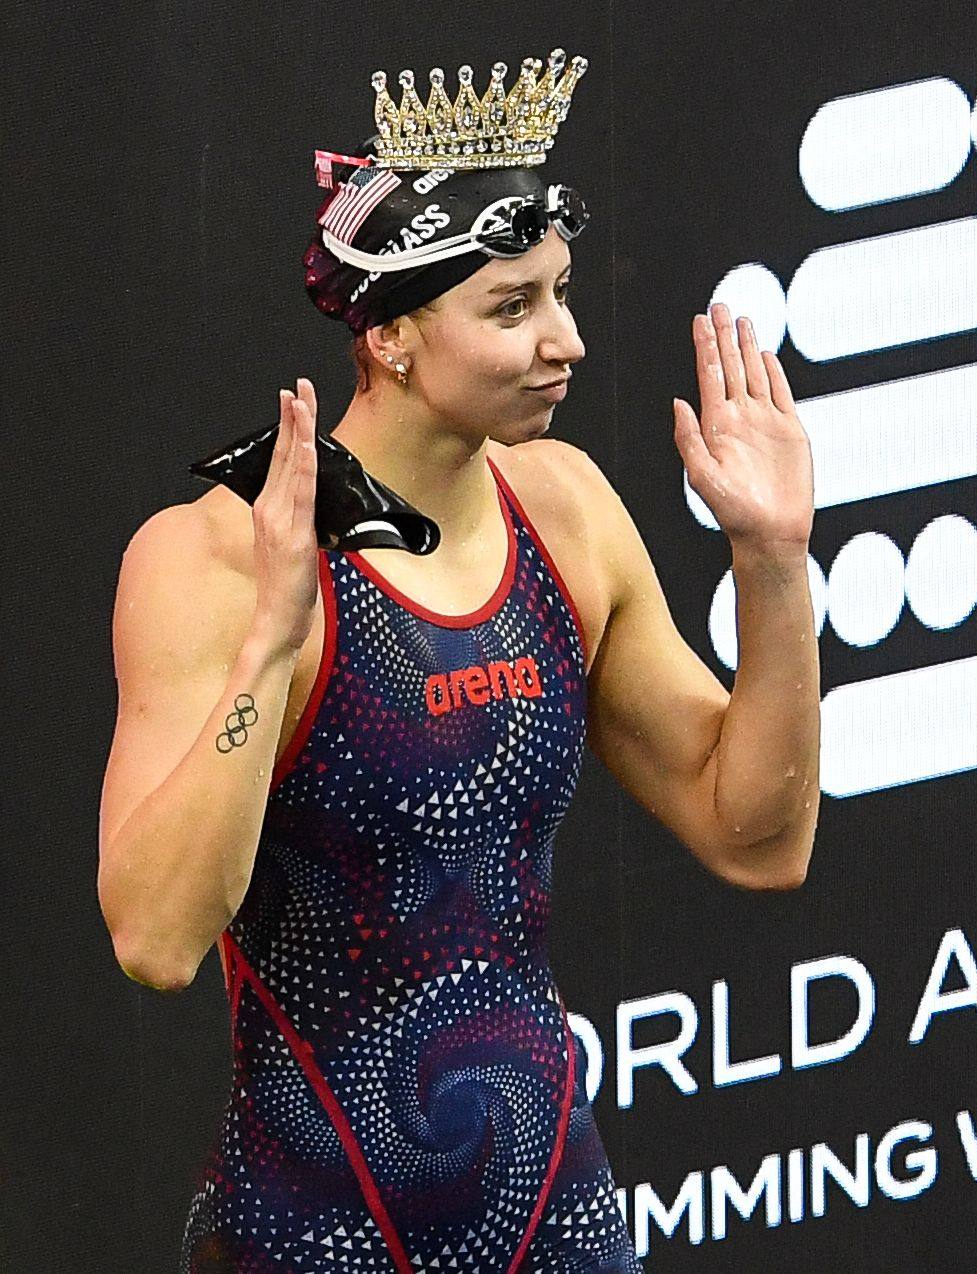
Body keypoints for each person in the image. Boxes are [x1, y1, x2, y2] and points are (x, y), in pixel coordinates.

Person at [95, 48, 821, 1272]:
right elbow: (157, 937)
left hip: (559, 1221)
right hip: (313, 1230)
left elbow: (758, 837)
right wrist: (270, 652)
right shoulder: (218, 557)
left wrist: (772, 559)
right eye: (511, 306)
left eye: (564, 291)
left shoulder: (567, 510)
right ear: (388, 335)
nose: (568, 340)